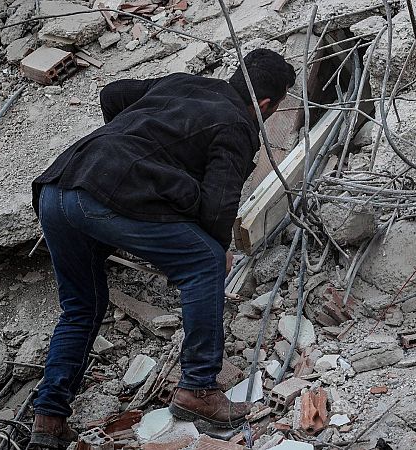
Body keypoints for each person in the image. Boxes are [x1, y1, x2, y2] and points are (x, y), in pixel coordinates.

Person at [27, 49, 296, 449]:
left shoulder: (182, 83)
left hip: (57, 187)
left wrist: (129, 148)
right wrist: (216, 250)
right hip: (102, 198)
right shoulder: (239, 125)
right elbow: (217, 206)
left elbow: (113, 93)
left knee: (81, 307)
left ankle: (48, 421)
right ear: (265, 105)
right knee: (205, 260)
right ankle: (199, 390)